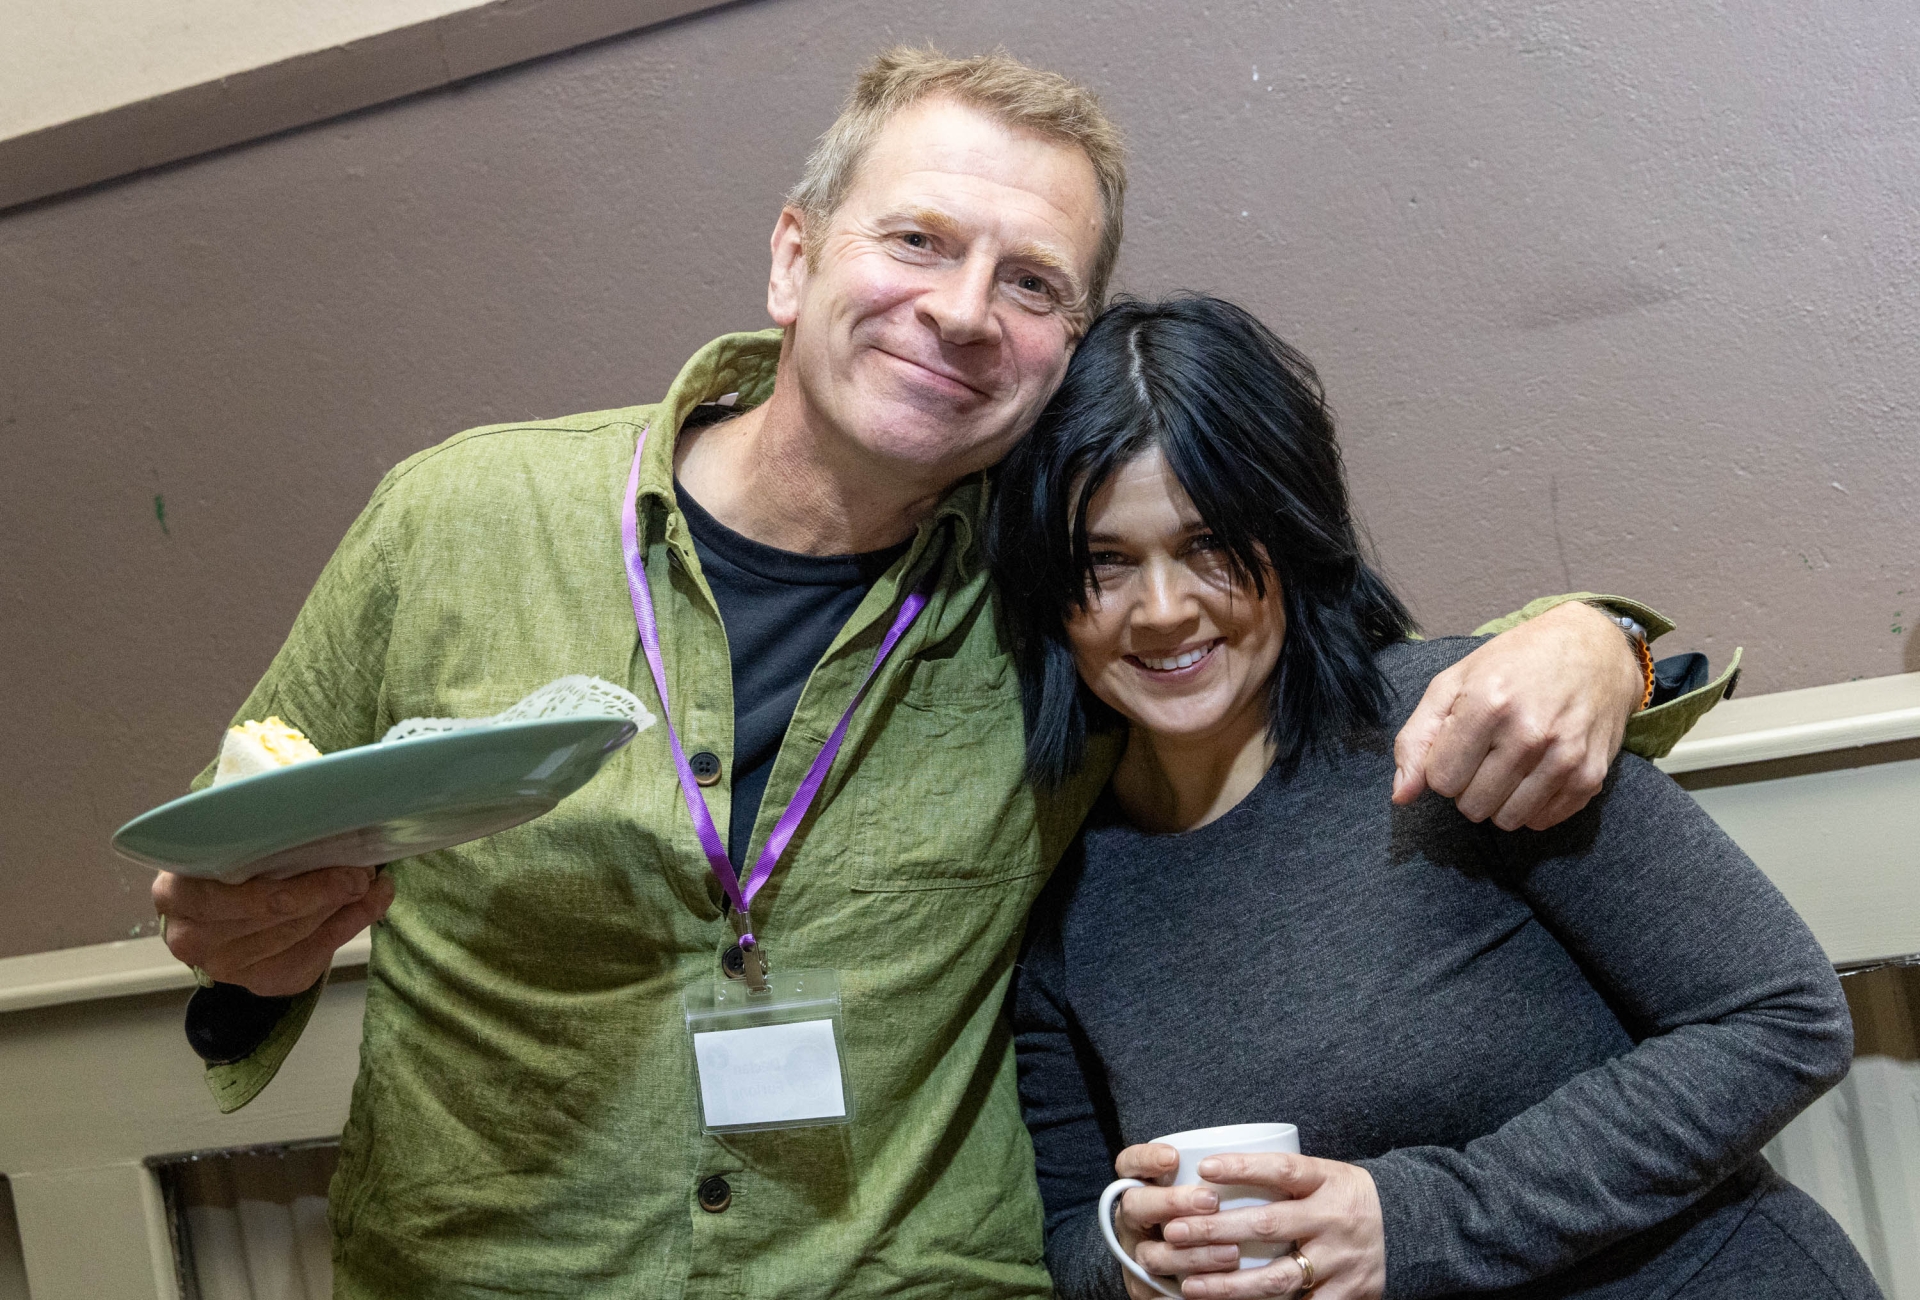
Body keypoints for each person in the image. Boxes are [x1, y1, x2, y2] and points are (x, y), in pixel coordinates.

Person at [151, 51, 1727, 1299]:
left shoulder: (1059, 597)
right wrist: (240, 958)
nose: (964, 311)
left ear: (1068, 344)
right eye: (916, 240)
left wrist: (1597, 631)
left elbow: (1321, 659)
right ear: (794, 258)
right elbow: (254, 849)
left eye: (1031, 282)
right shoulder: (458, 519)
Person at [996, 296, 1876, 1300]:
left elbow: (1779, 1017)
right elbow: (1074, 1229)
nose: (1161, 610)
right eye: (1104, 562)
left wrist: (1414, 1224)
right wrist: (1138, 1258)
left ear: (1288, 538)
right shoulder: (1064, 878)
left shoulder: (1458, 724)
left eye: (1209, 544)